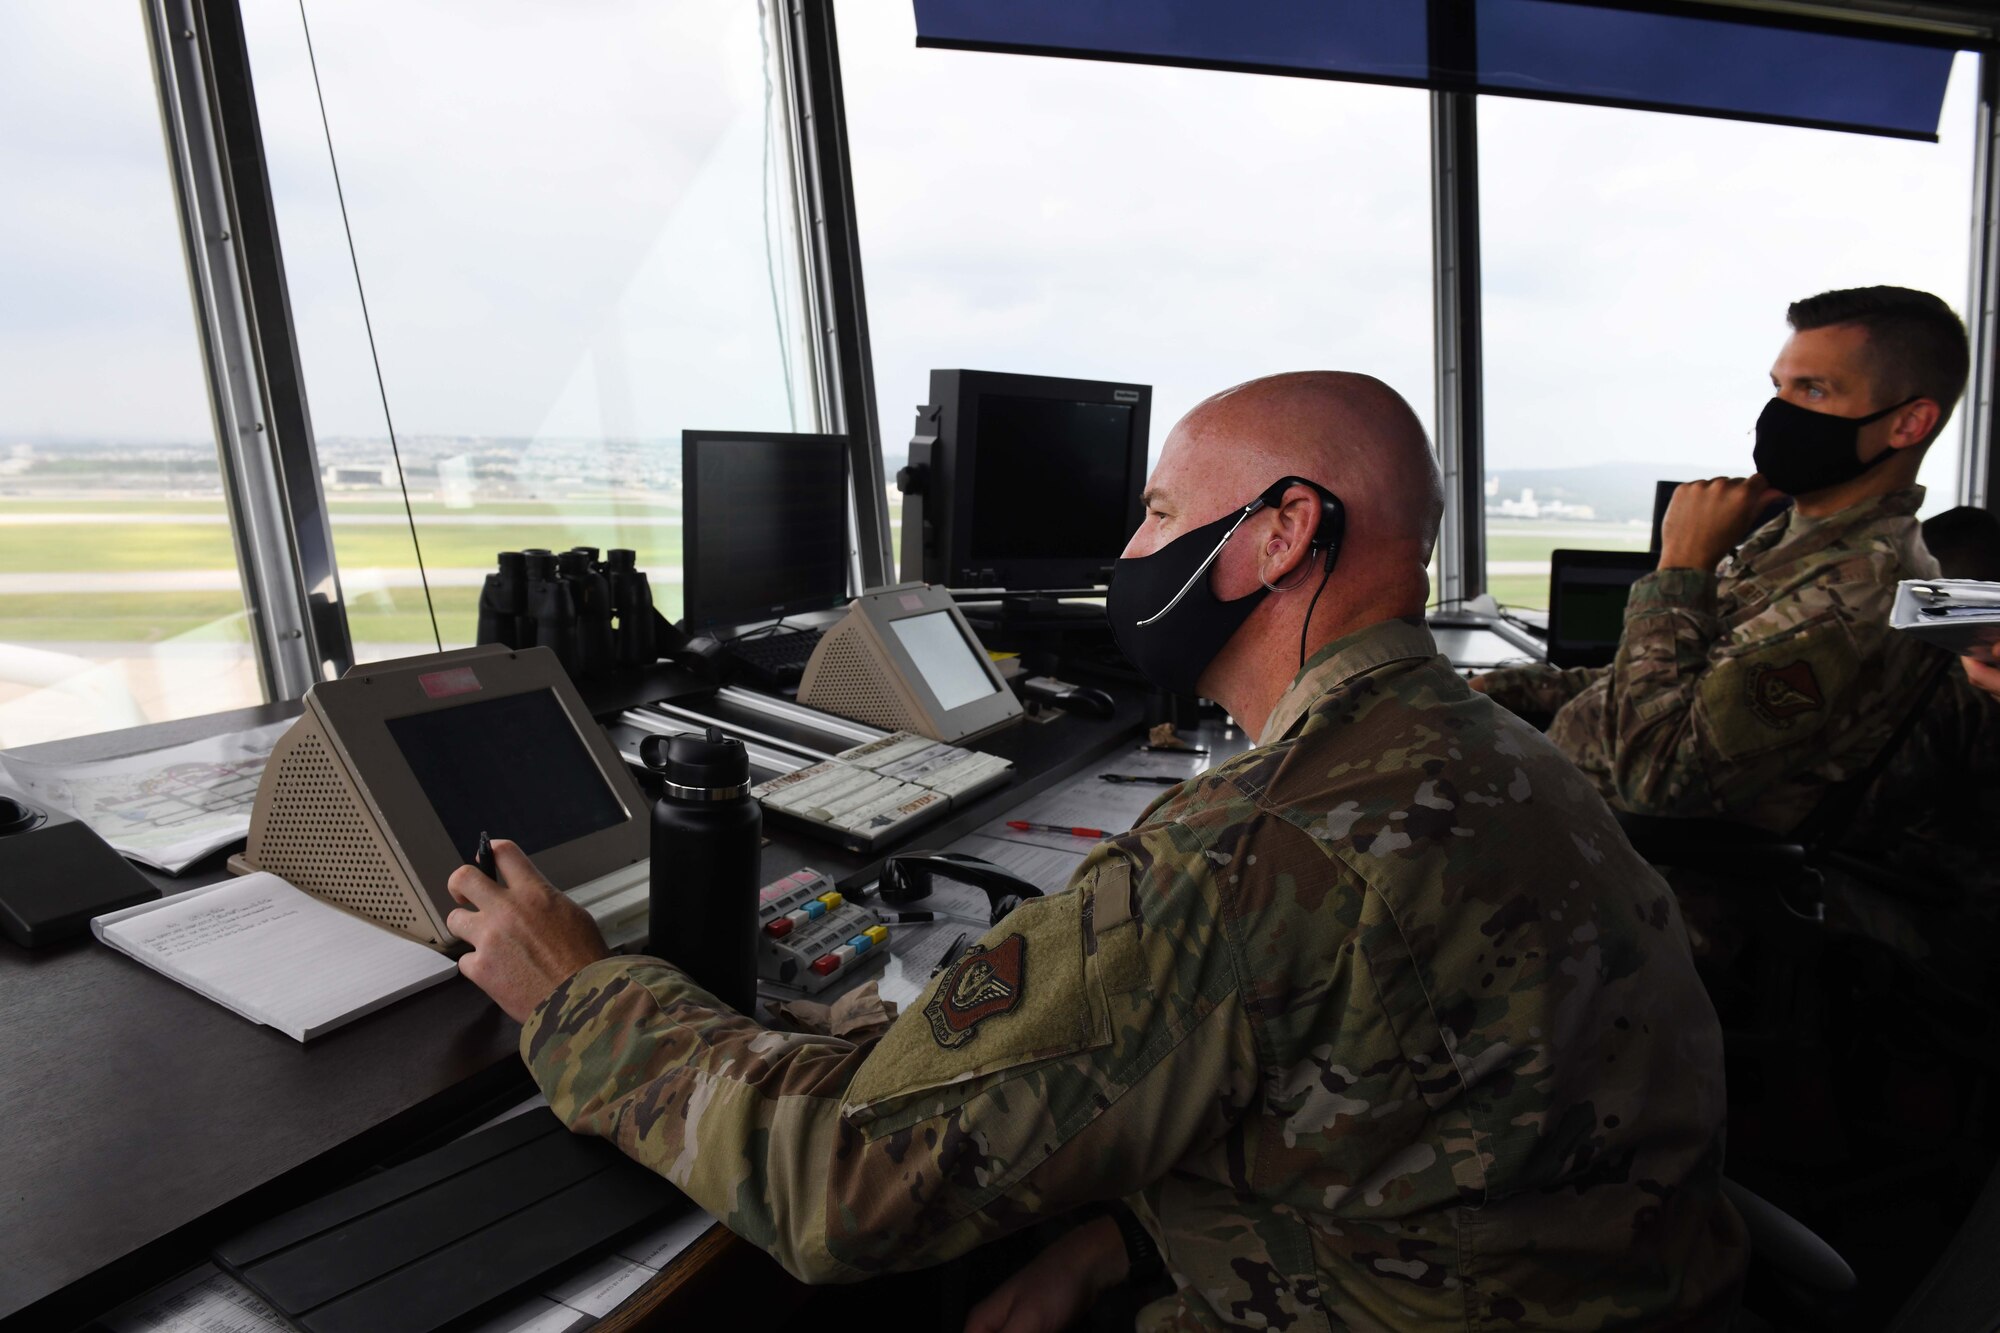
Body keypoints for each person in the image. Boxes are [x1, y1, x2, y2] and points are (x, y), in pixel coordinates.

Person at [449, 372, 1744, 1330]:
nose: (1128, 555)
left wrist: (581, 994)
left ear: (1283, 532)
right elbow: (1393, 1101)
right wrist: (1124, 1233)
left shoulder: (1251, 847)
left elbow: (845, 1181)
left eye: (1160, 514)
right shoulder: (1500, 746)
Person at [1475, 286, 1968, 835]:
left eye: (1814, 390)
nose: (1779, 412)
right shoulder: (1797, 538)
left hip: (1624, 859)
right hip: (1571, 812)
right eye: (1779, 387)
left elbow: (1658, 778)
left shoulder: (1858, 591)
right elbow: (1650, 686)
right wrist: (1502, 690)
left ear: (1907, 424)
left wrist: (1682, 568)